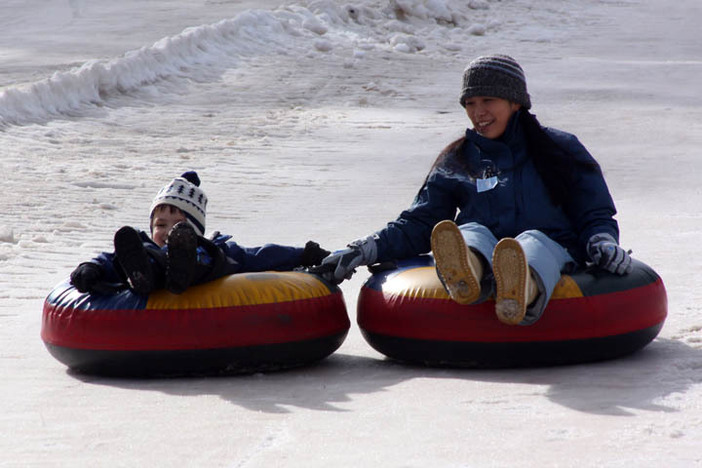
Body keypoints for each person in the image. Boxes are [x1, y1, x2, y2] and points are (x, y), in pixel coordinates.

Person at [317, 54, 632, 326]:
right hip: (484, 246)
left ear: (515, 101)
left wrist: (601, 241)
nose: (478, 112)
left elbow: (594, 211)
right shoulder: (459, 160)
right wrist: (365, 248)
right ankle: (466, 269)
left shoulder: (560, 149)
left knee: (531, 245)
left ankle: (519, 290)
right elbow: (419, 222)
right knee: (468, 233)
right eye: (470, 103)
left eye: (487, 101)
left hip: (553, 247)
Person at [70, 171, 330, 296]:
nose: (166, 231)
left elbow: (262, 256)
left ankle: (183, 262)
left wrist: (303, 254)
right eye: (160, 225)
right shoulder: (146, 245)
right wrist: (91, 267)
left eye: (177, 225)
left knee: (206, 255)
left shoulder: (217, 248)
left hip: (199, 265)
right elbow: (109, 257)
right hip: (152, 270)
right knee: (143, 253)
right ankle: (144, 276)